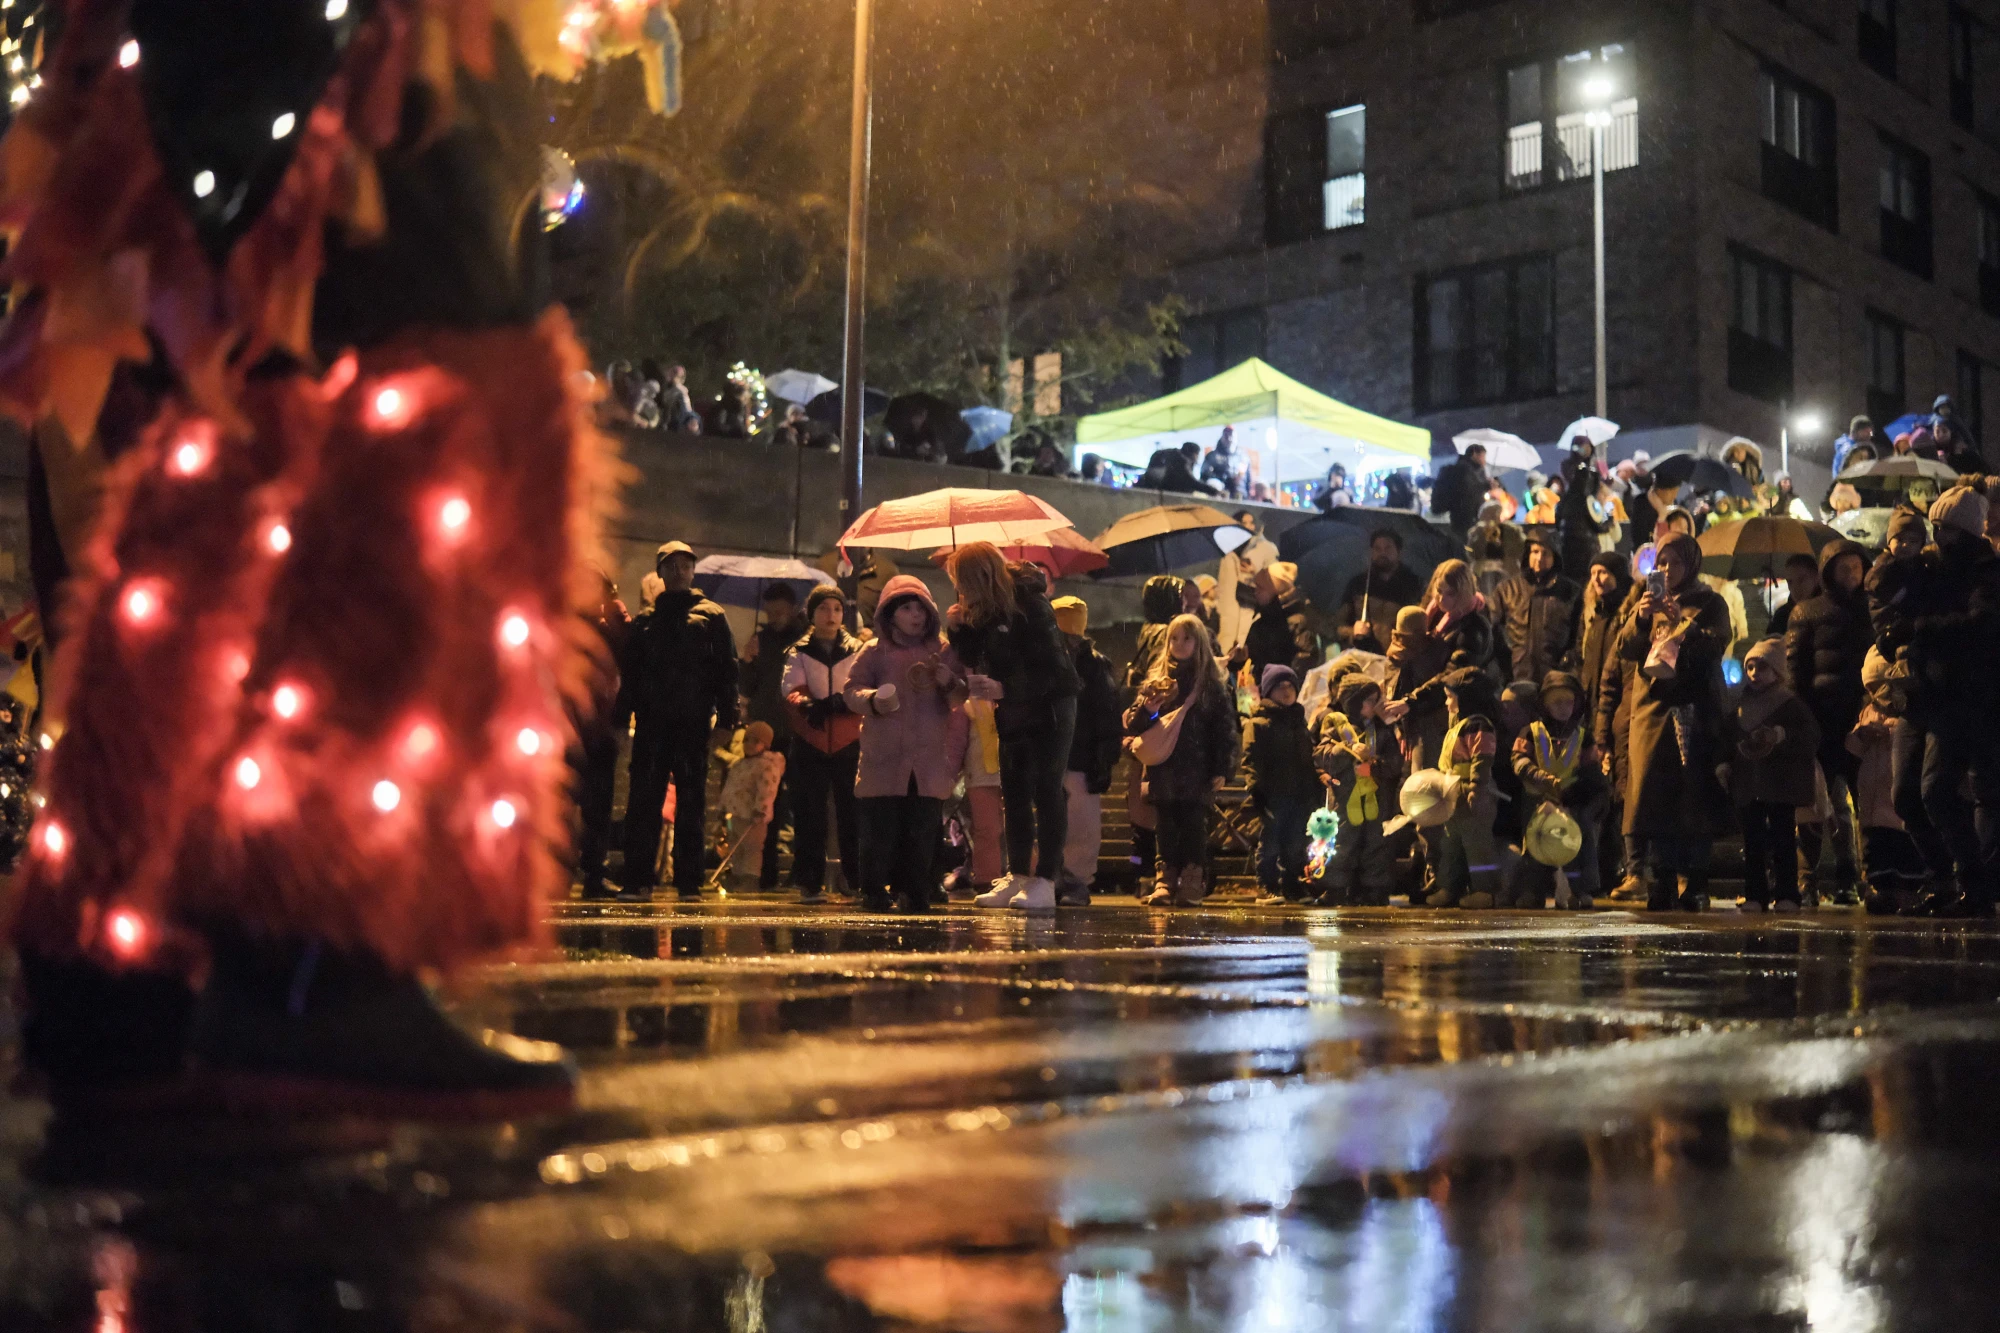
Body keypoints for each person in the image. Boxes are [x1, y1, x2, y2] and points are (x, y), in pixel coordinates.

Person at [1875, 486, 2000, 915]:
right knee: (1905, 793)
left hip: (1957, 695)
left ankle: (1972, 883)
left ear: (1963, 531)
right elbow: (1889, 601)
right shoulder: (1930, 568)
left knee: (1936, 790)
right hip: (1919, 692)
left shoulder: (1985, 572)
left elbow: (1981, 623)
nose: (1936, 535)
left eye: (1944, 527)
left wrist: (1920, 629)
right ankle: (1942, 878)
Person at [947, 546, 1081, 913]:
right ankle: (1019, 874)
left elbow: (1054, 669)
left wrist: (1007, 688)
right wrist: (958, 629)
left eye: (963, 583)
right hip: (1013, 711)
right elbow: (977, 656)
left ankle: (1047, 878)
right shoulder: (987, 612)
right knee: (1015, 791)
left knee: (1047, 789)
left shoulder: (1031, 606)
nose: (961, 591)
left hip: (1050, 707)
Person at [1614, 533, 1732, 911]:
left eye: (1675, 562)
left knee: (1694, 796)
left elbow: (1716, 647)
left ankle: (1695, 882)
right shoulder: (1643, 601)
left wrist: (1686, 625)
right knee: (1654, 796)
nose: (1666, 570)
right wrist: (1641, 617)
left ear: (1692, 563)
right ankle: (1661, 880)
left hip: (1693, 710)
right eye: (1660, 562)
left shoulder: (1710, 602)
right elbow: (1625, 650)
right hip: (1652, 710)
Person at [620, 542, 740, 900]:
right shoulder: (646, 623)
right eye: (671, 565)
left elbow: (727, 672)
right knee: (644, 801)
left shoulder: (711, 616)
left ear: (693, 570)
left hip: (692, 723)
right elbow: (631, 677)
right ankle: (638, 878)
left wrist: (726, 720)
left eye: (685, 565)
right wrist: (621, 718)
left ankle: (689, 882)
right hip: (653, 724)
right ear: (660, 572)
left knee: (691, 802)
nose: (679, 571)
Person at [843, 576, 968, 912]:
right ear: (890, 613)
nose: (916, 615)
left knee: (921, 831)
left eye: (921, 609)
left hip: (926, 761)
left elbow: (960, 696)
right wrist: (873, 701)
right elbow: (851, 690)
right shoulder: (874, 651)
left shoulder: (942, 651)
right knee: (879, 830)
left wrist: (949, 682)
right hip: (883, 758)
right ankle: (873, 889)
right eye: (907, 608)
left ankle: (915, 889)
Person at [1125, 614, 1241, 906]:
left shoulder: (1210, 686)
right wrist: (1149, 709)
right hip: (1163, 768)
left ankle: (1191, 880)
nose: (1179, 644)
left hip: (1197, 770)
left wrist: (1222, 768)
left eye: (1186, 638)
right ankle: (1165, 879)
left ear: (1198, 642)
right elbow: (1135, 724)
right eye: (1174, 639)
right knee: (1165, 827)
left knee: (1193, 827)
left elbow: (1224, 729)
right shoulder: (1156, 683)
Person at [1785, 540, 1870, 904]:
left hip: (1862, 720)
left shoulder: (1871, 609)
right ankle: (1807, 879)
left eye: (1856, 567)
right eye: (1843, 568)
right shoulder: (1807, 612)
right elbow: (1795, 670)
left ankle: (1856, 877)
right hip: (1820, 720)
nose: (1851, 575)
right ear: (1829, 571)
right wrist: (1799, 718)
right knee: (1813, 805)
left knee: (1865, 802)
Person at [1723, 639, 1820, 912]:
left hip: (1780, 784)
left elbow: (1809, 735)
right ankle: (1755, 892)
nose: (1754, 673)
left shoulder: (1789, 704)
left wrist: (1781, 735)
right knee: (1752, 841)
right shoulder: (1741, 703)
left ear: (1777, 671)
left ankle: (1787, 892)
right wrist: (1724, 762)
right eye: (1750, 667)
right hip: (1749, 783)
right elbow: (1728, 736)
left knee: (1783, 840)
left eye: (1761, 667)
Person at [782, 587, 864, 903]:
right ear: (812, 614)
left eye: (837, 609)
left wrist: (841, 704)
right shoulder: (798, 651)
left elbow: (862, 686)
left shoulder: (856, 650)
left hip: (848, 739)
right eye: (823, 609)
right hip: (810, 739)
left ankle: (856, 879)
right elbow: (791, 688)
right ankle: (810, 882)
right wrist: (808, 705)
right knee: (809, 814)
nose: (830, 616)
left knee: (853, 814)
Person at [1509, 670, 1608, 908]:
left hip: (1569, 802)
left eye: (1568, 702)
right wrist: (1540, 778)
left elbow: (1591, 770)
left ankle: (1580, 891)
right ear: (1545, 704)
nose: (1564, 708)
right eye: (1557, 702)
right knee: (1534, 848)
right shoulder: (1530, 732)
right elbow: (1519, 760)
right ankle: (1533, 892)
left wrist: (1576, 792)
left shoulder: (1583, 736)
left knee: (1575, 847)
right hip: (1537, 800)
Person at [1051, 597, 1121, 906]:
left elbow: (1106, 716)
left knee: (1080, 823)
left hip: (1078, 756)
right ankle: (1054, 876)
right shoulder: (1050, 661)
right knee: (1061, 821)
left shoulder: (1093, 666)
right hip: (1056, 753)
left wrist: (1103, 759)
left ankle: (1075, 880)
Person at [1314, 671, 1406, 906]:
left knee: (1377, 843)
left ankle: (1373, 888)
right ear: (1354, 702)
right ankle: (1335, 886)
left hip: (1377, 799)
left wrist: (1374, 766)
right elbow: (1323, 756)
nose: (1376, 705)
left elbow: (1395, 764)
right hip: (1346, 800)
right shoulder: (1336, 727)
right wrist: (1348, 751)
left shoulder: (1383, 732)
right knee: (1343, 842)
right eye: (1369, 700)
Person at [740, 582, 808, 887]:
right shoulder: (761, 640)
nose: (775, 617)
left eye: (780, 611)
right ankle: (765, 872)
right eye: (770, 612)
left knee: (802, 803)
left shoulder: (805, 639)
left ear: (793, 609)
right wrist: (747, 661)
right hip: (768, 732)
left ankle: (802, 870)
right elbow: (749, 685)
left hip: (797, 730)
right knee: (767, 806)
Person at [1122, 575, 1188, 882]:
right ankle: (1151, 867)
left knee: (1140, 802)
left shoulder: (1144, 632)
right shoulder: (1165, 634)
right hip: (1157, 724)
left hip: (1141, 724)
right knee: (1152, 804)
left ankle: (1140, 867)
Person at [1850, 649, 1926, 913]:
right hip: (1871, 797)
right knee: (1876, 849)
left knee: (1901, 847)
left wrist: (1892, 730)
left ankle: (1906, 891)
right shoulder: (1868, 711)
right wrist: (1862, 734)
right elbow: (1853, 748)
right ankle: (1880, 889)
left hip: (1892, 801)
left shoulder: (1907, 718)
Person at [574, 570, 630, 901]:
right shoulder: (563, 621)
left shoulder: (612, 624)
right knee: (566, 802)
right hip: (569, 724)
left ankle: (595, 872)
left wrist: (617, 615)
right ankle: (565, 871)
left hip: (602, 725)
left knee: (598, 805)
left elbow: (630, 656)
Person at [1427, 669, 1505, 908]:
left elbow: (1481, 757)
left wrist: (1476, 787)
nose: (1447, 702)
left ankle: (1485, 890)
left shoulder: (1477, 725)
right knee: (1451, 843)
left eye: (1451, 697)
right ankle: (1450, 886)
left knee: (1477, 844)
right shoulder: (1458, 726)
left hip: (1472, 793)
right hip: (1453, 794)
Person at [1243, 665, 1319, 906]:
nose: (1286, 691)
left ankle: (1292, 884)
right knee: (1271, 841)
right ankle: (1267, 884)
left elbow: (1307, 758)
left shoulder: (1299, 722)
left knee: (1295, 842)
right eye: (1279, 687)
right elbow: (1251, 758)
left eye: (1290, 686)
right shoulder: (1259, 723)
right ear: (1268, 692)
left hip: (1298, 794)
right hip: (1273, 793)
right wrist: (1256, 789)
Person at [1493, 532, 1582, 685]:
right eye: (1535, 552)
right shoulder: (1507, 589)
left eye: (1545, 553)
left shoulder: (1570, 592)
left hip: (1555, 680)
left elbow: (1580, 634)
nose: (1539, 558)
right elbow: (1492, 628)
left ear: (1555, 557)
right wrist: (1504, 664)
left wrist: (1568, 661)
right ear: (1527, 554)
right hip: (1516, 677)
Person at [718, 723, 786, 890]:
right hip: (737, 813)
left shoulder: (767, 765)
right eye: (746, 740)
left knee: (752, 849)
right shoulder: (741, 764)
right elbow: (731, 786)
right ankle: (738, 875)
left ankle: (750, 878)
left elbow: (767, 790)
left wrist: (761, 809)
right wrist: (724, 805)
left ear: (766, 745)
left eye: (755, 741)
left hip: (753, 816)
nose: (749, 744)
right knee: (736, 847)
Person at [1336, 529, 1425, 653]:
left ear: (1398, 552)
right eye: (1377, 549)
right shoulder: (1358, 584)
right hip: (1363, 655)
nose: (1382, 553)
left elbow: (1421, 627)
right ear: (1371, 552)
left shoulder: (1415, 585)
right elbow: (1338, 625)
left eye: (1388, 548)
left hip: (1398, 658)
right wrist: (1352, 632)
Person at [1242, 562, 1321, 689]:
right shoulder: (1261, 623)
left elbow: (1304, 659)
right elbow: (1250, 659)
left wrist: (1283, 686)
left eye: (1261, 588)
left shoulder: (1297, 622)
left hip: (1283, 695)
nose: (1255, 592)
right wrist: (1239, 659)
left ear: (1276, 590)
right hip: (1262, 693)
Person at [1556, 452, 1612, 579]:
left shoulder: (1564, 500)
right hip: (1587, 551)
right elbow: (1600, 526)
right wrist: (1609, 518)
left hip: (1567, 551)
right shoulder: (1588, 501)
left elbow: (1557, 523)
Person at [1431, 444, 1490, 537]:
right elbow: (1467, 491)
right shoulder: (1463, 470)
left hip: (1467, 517)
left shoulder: (1475, 471)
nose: (1485, 461)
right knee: (1464, 542)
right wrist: (1486, 485)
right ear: (1474, 454)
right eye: (1483, 456)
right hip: (1464, 518)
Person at [1767, 553, 1820, 640]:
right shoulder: (1782, 616)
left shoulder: (1829, 611)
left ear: (1816, 578)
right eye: (1790, 582)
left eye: (1801, 580)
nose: (1795, 588)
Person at [1202, 427, 1243, 498]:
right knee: (1213, 484)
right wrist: (1222, 479)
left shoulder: (1242, 457)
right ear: (1222, 437)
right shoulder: (1212, 456)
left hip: (1237, 489)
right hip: (1218, 488)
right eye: (1226, 436)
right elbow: (1204, 474)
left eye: (1231, 436)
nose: (1229, 439)